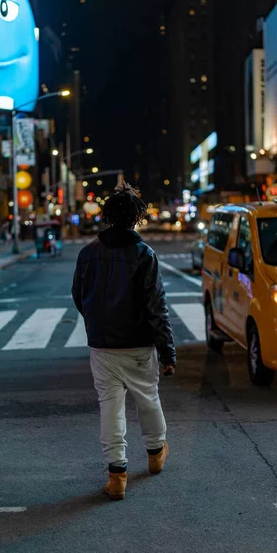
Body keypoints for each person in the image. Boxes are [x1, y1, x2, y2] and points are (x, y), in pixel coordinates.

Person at [72, 183, 176, 500]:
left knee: (110, 408)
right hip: (139, 344)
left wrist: (96, 320)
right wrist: (167, 351)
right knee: (148, 398)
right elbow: (157, 306)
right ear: (136, 218)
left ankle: (117, 475)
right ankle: (156, 454)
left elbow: (79, 296)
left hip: (102, 345)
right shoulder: (144, 254)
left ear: (106, 217)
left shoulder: (88, 253)